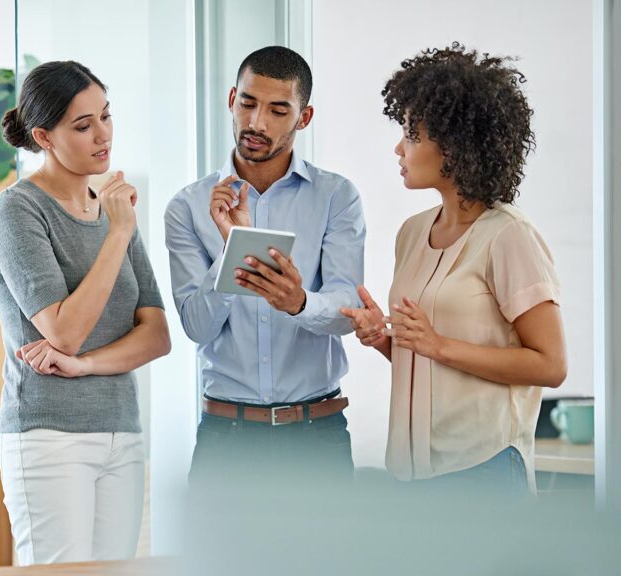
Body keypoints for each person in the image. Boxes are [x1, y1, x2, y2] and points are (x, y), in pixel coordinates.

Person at [341, 43, 567, 495]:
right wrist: (387, 340)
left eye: (411, 134)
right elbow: (428, 357)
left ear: (455, 145)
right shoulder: (411, 233)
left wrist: (438, 344)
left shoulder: (508, 236)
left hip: (483, 471)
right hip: (410, 475)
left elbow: (551, 364)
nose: (398, 147)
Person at [0, 60, 171, 564]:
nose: (102, 135)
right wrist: (117, 234)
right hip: (48, 436)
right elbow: (63, 332)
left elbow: (155, 336)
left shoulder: (111, 207)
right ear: (43, 136)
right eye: (83, 126)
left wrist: (86, 365)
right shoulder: (17, 211)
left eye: (106, 117)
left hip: (121, 430)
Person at [164, 46, 366, 496]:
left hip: (317, 437)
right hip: (226, 440)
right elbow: (196, 327)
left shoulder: (337, 197)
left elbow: (347, 309)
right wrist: (233, 249)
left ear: (304, 117)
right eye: (248, 104)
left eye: (278, 110)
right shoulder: (188, 207)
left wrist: (298, 302)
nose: (257, 123)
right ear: (232, 99)